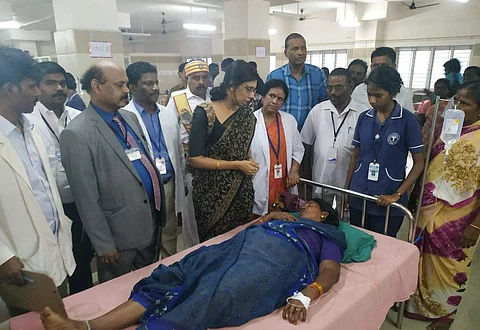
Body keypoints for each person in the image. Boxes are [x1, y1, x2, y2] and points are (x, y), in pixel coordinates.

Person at [40, 198, 346, 330]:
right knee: (174, 274)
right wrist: (267, 218)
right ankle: (86, 326)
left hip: (276, 260)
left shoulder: (327, 235)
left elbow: (330, 271)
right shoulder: (283, 219)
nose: (303, 206)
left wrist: (306, 296)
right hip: (237, 247)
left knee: (211, 294)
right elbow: (247, 232)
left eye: (311, 206)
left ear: (324, 216)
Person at [60, 61, 166, 283]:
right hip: (119, 237)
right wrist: (104, 244)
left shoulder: (128, 118)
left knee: (150, 288)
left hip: (149, 222)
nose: (127, 90)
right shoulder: (77, 133)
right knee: (118, 296)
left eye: (126, 84)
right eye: (120, 85)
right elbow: (85, 198)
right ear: (97, 87)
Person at [0, 46, 75, 313]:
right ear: (10, 89)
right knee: (30, 318)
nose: (37, 93)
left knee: (60, 313)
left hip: (55, 244)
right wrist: (3, 255)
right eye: (32, 86)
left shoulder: (31, 128)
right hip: (18, 260)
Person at [406, 82, 480, 330]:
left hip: (460, 217)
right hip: (429, 210)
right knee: (421, 258)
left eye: (465, 103)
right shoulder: (451, 129)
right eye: (456, 100)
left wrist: (477, 227)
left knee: (450, 264)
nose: (457, 107)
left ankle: (445, 314)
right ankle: (416, 303)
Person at [26, 62, 93, 295]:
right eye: (50, 83)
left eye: (62, 83)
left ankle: (84, 309)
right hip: (49, 209)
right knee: (53, 268)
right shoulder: (28, 121)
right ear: (37, 87)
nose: (59, 88)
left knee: (82, 260)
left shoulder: (78, 117)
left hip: (80, 203)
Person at [344, 66, 425, 237]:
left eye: (378, 95)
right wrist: (346, 190)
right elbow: (356, 155)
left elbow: (419, 163)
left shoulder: (407, 120)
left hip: (388, 196)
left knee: (384, 249)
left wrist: (397, 194)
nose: (372, 100)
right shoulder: (364, 118)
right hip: (359, 194)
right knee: (358, 242)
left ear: (393, 93)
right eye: (369, 94)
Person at [124, 61, 190, 258]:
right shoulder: (124, 117)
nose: (154, 88)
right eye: (147, 83)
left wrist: (183, 180)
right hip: (142, 188)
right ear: (132, 87)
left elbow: (178, 151)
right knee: (145, 237)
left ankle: (168, 271)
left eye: (155, 82)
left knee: (169, 233)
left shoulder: (168, 114)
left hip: (167, 184)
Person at [189, 60, 259, 242]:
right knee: (213, 246)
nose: (252, 96)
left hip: (241, 194)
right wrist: (237, 165)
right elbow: (195, 159)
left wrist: (249, 161)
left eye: (254, 90)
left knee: (239, 243)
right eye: (248, 89)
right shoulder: (205, 113)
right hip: (210, 195)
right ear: (231, 86)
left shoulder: (246, 115)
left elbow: (245, 147)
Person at [302, 68, 363, 207]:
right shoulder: (318, 111)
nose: (333, 92)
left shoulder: (362, 114)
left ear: (351, 87)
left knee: (346, 219)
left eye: (338, 87)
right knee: (320, 215)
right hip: (320, 178)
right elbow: (306, 144)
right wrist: (306, 178)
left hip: (348, 183)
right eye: (329, 88)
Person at [251, 79, 304, 217]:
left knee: (283, 219)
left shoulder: (289, 120)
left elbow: (298, 149)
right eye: (272, 96)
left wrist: (294, 170)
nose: (275, 101)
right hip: (258, 181)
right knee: (258, 222)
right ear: (263, 97)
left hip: (283, 182)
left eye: (280, 99)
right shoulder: (250, 121)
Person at [267, 33, 328, 130]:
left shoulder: (317, 74)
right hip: (282, 131)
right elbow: (268, 106)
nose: (300, 52)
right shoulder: (275, 76)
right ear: (286, 53)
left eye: (303, 48)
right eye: (295, 49)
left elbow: (325, 103)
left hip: (311, 132)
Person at [351, 47, 414, 112]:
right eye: (376, 65)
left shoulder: (404, 93)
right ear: (371, 67)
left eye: (384, 65)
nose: (379, 69)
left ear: (393, 67)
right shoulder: (359, 90)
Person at [166, 60, 211, 147]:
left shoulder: (214, 95)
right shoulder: (177, 98)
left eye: (205, 77)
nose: (201, 82)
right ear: (187, 79)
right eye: (196, 78)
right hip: (187, 152)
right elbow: (168, 129)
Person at [418, 78, 452, 149]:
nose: (440, 90)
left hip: (440, 135)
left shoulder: (450, 104)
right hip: (426, 134)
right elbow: (421, 118)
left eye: (443, 88)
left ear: (448, 90)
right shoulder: (428, 103)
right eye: (437, 88)